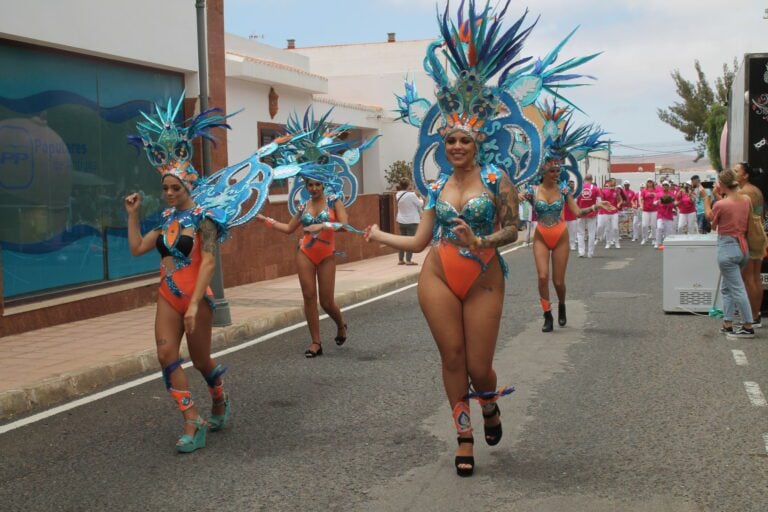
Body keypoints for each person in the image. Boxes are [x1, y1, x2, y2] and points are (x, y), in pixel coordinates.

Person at [372, 0, 600, 477]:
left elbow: (515, 229)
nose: (456, 146)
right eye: (450, 140)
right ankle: (464, 436)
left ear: (479, 144)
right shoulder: (434, 185)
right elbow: (420, 242)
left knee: (478, 367)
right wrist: (380, 235)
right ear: (442, 144)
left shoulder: (499, 180)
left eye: (465, 141)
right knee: (451, 357)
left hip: (484, 275)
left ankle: (490, 405)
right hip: (438, 273)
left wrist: (480, 243)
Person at [124, 94, 281, 452]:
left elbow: (208, 263)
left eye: (174, 188)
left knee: (199, 360)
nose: (168, 193)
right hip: (168, 296)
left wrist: (195, 305)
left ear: (188, 186)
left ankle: (219, 399)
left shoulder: (205, 221)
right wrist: (133, 216)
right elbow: (137, 248)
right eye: (165, 188)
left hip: (197, 298)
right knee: (166, 355)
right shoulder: (166, 220)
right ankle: (192, 420)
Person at [258, 107, 379, 358]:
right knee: (308, 296)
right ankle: (316, 342)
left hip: (326, 255)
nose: (313, 188)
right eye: (309, 184)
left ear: (324, 184)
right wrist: (267, 220)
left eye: (316, 184)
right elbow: (289, 229)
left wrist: (322, 226)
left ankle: (340, 324)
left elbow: (344, 224)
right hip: (305, 252)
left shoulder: (334, 200)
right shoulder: (303, 205)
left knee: (326, 301)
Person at [532, 152, 613, 332]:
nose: (556, 174)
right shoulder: (532, 191)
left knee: (558, 282)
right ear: (543, 171)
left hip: (560, 237)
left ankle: (561, 304)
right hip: (541, 237)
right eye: (552, 171)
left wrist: (596, 206)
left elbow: (577, 212)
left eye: (558, 170)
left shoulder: (563, 190)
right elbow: (513, 204)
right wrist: (515, 197)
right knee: (543, 277)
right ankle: (547, 315)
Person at [703, 169, 755, 339]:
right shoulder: (746, 200)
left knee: (738, 289)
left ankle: (748, 325)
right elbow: (731, 207)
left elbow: (711, 219)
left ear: (722, 184)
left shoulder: (721, 204)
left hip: (727, 248)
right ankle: (728, 323)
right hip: (743, 247)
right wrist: (718, 196)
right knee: (727, 288)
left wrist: (706, 200)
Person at [734, 162, 767, 327]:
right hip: (759, 234)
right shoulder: (756, 190)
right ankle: (756, 314)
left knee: (748, 278)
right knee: (755, 277)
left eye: (736, 170)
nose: (734, 173)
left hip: (749, 236)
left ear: (745, 175)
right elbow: (761, 214)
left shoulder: (744, 192)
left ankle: (752, 317)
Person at [395, 178, 424, 265]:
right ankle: (408, 260)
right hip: (411, 221)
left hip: (401, 220)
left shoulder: (398, 194)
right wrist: (420, 198)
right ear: (408, 186)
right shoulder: (411, 195)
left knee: (402, 240)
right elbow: (420, 204)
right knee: (410, 241)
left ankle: (400, 259)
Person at [576, 174, 601, 257]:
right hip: (591, 213)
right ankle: (590, 253)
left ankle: (581, 252)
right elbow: (599, 202)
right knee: (591, 233)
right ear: (592, 179)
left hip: (580, 212)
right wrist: (597, 210)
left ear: (584, 179)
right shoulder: (596, 189)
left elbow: (575, 201)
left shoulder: (579, 188)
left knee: (580, 233)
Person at [598, 178, 622, 249]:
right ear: (609, 183)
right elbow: (602, 201)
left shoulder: (616, 191)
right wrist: (607, 206)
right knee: (607, 228)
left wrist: (618, 204)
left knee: (615, 228)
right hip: (606, 212)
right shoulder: (604, 191)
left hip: (614, 212)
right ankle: (608, 243)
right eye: (612, 181)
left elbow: (620, 200)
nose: (613, 182)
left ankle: (617, 242)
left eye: (614, 181)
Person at [655, 181, 676, 248]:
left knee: (668, 230)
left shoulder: (672, 194)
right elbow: (654, 203)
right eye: (664, 185)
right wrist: (658, 201)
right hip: (660, 214)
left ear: (668, 186)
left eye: (666, 185)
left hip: (669, 215)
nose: (665, 186)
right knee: (659, 228)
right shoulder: (658, 194)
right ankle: (658, 243)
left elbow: (674, 204)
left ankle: (667, 243)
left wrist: (674, 206)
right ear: (662, 186)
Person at [640, 179, 657, 245]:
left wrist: (654, 194)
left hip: (654, 210)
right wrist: (641, 206)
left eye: (651, 182)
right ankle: (644, 238)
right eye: (648, 182)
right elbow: (641, 199)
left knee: (653, 225)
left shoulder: (656, 190)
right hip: (646, 210)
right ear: (647, 183)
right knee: (644, 225)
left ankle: (654, 239)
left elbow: (659, 197)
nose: (649, 183)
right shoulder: (644, 191)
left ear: (653, 183)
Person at [564, 179, 579, 250]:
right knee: (565, 232)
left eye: (573, 184)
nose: (571, 186)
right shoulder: (564, 194)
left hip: (573, 216)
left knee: (573, 232)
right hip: (565, 216)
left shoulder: (576, 194)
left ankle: (572, 245)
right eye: (570, 184)